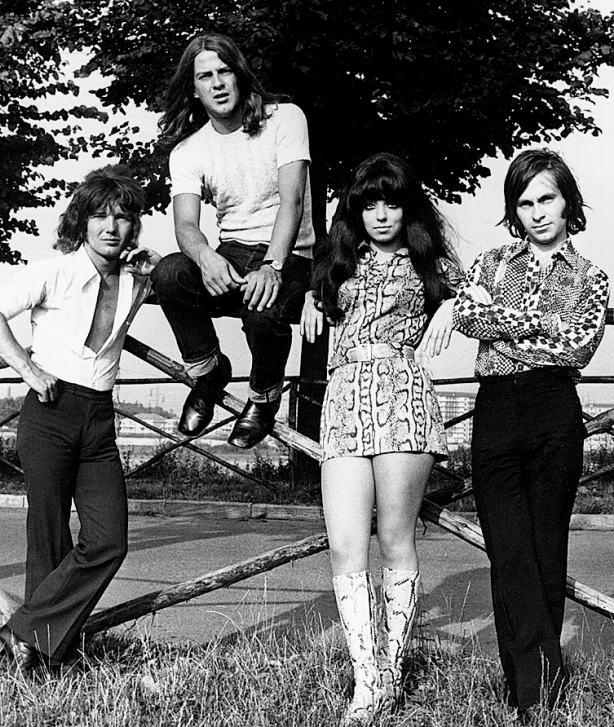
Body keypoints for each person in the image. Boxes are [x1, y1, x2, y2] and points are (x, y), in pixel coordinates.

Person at [0, 166, 160, 676]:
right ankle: (42, 660)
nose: (111, 227)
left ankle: (18, 633)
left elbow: (161, 281)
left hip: (99, 418)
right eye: (100, 215)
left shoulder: (137, 280)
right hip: (50, 411)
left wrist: (154, 270)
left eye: (122, 217)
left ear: (134, 225)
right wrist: (27, 368)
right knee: (49, 536)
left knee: (109, 540)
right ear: (82, 221)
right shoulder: (52, 272)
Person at [301, 152, 462, 725]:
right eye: (370, 204)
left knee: (395, 538)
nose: (381, 215)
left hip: (403, 397)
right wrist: (308, 297)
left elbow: (484, 293)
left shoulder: (430, 262)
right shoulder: (337, 261)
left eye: (392, 203)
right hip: (345, 398)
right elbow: (300, 284)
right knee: (345, 543)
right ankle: (366, 678)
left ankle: (390, 672)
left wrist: (451, 308)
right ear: (357, 210)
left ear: (407, 207)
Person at [452, 149, 610, 721]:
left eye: (547, 198)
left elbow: (577, 347)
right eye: (525, 203)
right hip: (496, 411)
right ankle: (538, 686)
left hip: (553, 412)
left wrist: (506, 326)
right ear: (513, 211)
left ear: (568, 202)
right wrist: (542, 324)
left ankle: (530, 692)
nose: (538, 212)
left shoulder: (592, 277)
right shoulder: (492, 262)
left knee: (545, 552)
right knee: (509, 550)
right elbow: (468, 316)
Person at [151, 33, 315, 449]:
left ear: (239, 75)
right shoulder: (188, 150)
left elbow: (293, 201)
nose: (217, 83)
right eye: (205, 76)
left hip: (290, 252)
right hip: (232, 252)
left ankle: (264, 396)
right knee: (169, 273)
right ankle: (209, 373)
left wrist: (272, 266)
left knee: (263, 311)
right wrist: (205, 256)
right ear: (194, 88)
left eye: (224, 71)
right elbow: (186, 224)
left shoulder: (285, 118)